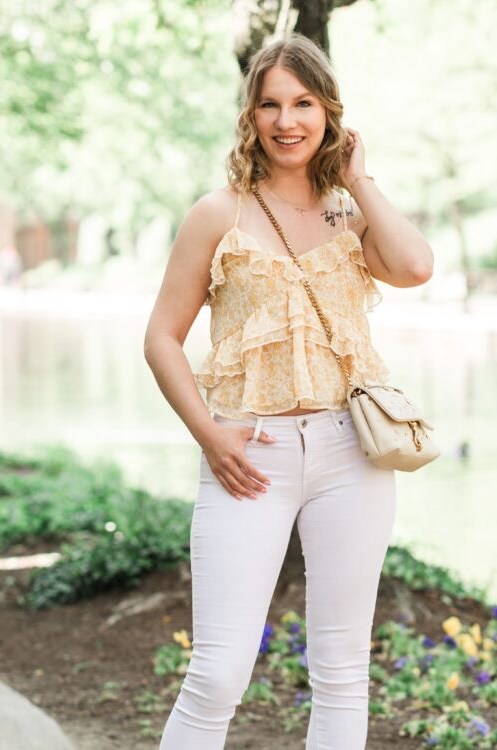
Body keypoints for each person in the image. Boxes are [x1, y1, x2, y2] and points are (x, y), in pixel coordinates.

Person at [143, 33, 433, 750]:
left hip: (351, 453)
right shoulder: (218, 214)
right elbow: (161, 338)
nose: (287, 121)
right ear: (251, 115)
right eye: (270, 105)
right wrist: (209, 434)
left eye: (304, 103)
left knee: (342, 669)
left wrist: (361, 179)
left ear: (329, 112)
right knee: (217, 674)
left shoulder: (347, 213)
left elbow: (415, 267)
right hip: (249, 455)